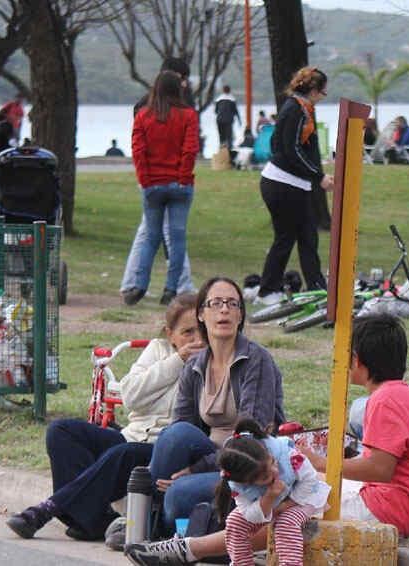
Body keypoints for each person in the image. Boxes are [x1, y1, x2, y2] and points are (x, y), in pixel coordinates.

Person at [5, 295, 201, 541]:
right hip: (131, 435)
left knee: (123, 454)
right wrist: (177, 361)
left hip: (163, 449)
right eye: (188, 332)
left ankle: (49, 509)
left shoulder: (211, 362)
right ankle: (96, 520)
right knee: (61, 431)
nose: (197, 340)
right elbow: (130, 396)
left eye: (201, 330)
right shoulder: (158, 351)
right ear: (170, 334)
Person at [147, 277, 285, 537]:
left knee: (178, 494)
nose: (224, 310)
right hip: (209, 452)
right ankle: (154, 523)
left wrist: (194, 470)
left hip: (248, 464)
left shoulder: (256, 360)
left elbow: (250, 439)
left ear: (240, 315)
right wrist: (189, 466)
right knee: (174, 435)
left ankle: (159, 529)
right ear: (201, 314)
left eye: (232, 304)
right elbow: (182, 425)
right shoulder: (195, 364)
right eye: (217, 303)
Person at [303, 314, 409, 536]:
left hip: (400, 508)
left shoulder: (385, 400)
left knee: (295, 501)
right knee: (312, 480)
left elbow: (380, 469)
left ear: (355, 359)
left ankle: (236, 548)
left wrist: (320, 462)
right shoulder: (401, 393)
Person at [254, 67, 334, 305]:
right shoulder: (296, 110)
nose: (323, 96)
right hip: (282, 184)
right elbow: (292, 151)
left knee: (307, 235)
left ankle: (317, 287)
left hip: (292, 184)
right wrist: (318, 176)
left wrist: (314, 174)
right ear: (312, 90)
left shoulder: (301, 109)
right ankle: (267, 290)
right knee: (287, 237)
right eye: (322, 91)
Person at [121, 70, 199, 307]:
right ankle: (171, 288)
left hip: (152, 184)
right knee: (177, 237)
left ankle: (139, 285)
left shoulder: (144, 116)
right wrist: (183, 178)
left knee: (151, 237)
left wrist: (145, 180)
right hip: (179, 184)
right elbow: (190, 149)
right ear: (179, 90)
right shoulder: (188, 115)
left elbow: (138, 151)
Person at [217, 419, 330, 566]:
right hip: (269, 505)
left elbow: (310, 480)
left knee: (285, 523)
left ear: (267, 452)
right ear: (248, 482)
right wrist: (269, 498)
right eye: (265, 477)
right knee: (234, 523)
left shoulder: (288, 456)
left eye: (272, 462)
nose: (275, 472)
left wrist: (286, 505)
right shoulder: (240, 488)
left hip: (303, 498)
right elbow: (250, 515)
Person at [214, 85, 242, 149]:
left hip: (219, 120)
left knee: (221, 136)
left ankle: (221, 150)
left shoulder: (218, 99)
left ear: (223, 90)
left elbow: (215, 111)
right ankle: (229, 151)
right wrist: (239, 121)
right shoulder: (232, 99)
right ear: (230, 91)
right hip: (228, 120)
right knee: (229, 137)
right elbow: (235, 111)